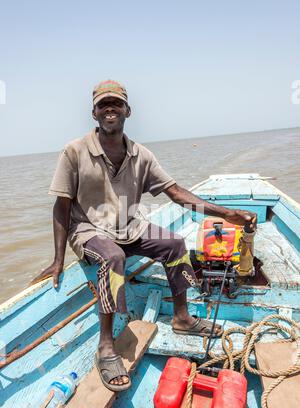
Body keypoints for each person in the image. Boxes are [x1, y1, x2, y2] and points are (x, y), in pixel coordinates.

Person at [32, 80, 256, 391]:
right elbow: (61, 205)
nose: (110, 108)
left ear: (127, 111)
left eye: (116, 104)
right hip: (88, 230)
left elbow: (176, 193)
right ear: (94, 113)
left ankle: (182, 318)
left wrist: (226, 214)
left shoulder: (141, 154)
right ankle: (106, 347)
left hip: (128, 226)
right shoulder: (74, 151)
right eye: (103, 104)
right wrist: (58, 260)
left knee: (175, 244)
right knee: (113, 257)